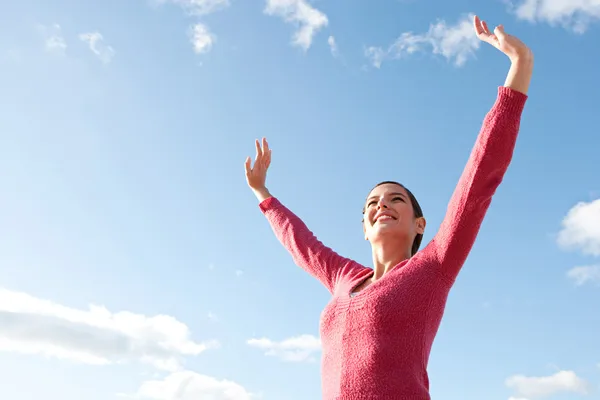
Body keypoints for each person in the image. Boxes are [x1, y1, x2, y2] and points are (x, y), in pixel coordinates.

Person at [244, 15, 533, 400]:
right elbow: (303, 245)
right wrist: (263, 193)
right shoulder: (343, 277)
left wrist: (520, 66)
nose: (381, 204)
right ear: (364, 226)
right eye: (372, 203)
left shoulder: (432, 269)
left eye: (396, 198)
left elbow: (479, 180)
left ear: (420, 224)